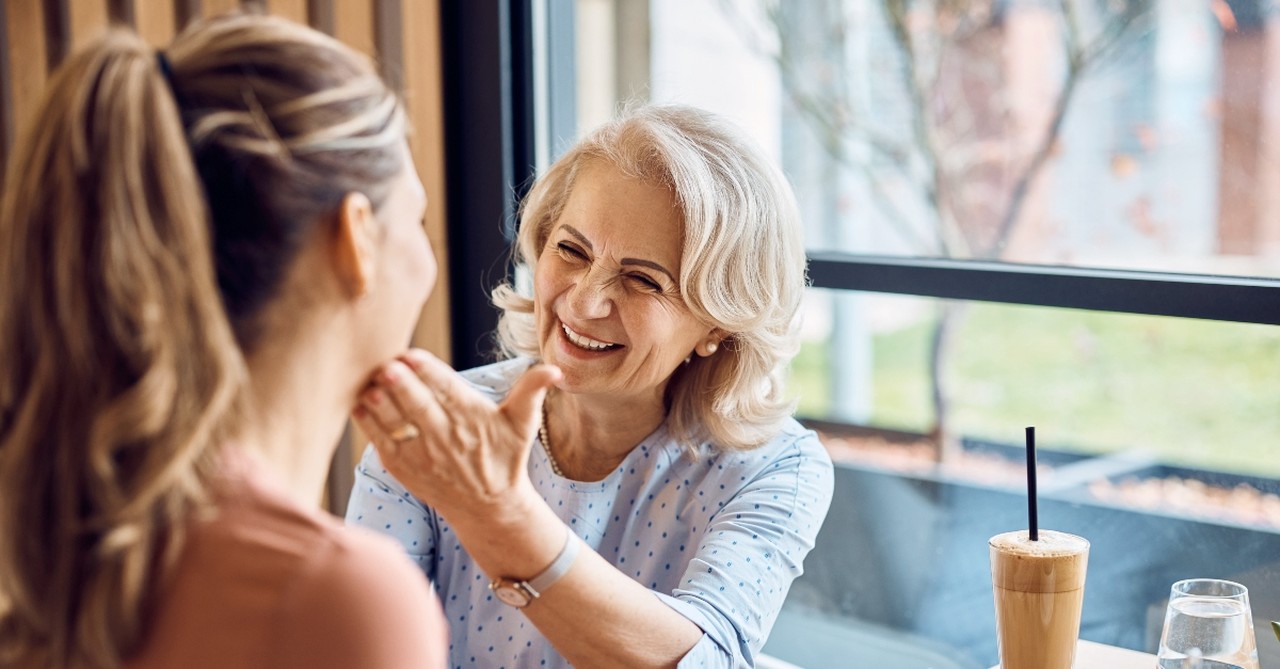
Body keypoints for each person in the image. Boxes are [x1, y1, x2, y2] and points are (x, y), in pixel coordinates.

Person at [0, 14, 452, 669]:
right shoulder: (341, 596)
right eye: (416, 217)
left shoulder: (77, 545)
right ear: (359, 238)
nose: (429, 261)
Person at [347, 104, 835, 667]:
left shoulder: (776, 467)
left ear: (717, 325)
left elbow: (710, 661)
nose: (582, 301)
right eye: (571, 250)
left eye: (642, 280)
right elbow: (359, 642)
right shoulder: (439, 427)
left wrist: (500, 517)